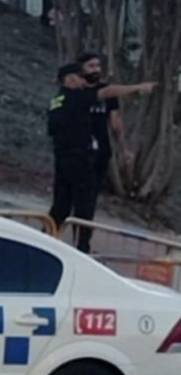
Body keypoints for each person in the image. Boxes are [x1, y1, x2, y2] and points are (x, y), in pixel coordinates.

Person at [48, 63, 156, 253]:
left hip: (62, 157)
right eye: (80, 77)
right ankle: (81, 248)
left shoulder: (57, 99)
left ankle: (46, 239)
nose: (83, 82)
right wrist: (138, 88)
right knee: (85, 205)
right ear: (70, 78)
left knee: (61, 205)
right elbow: (107, 92)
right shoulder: (76, 97)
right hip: (79, 157)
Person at [78, 51, 133, 192]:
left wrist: (123, 149)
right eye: (91, 66)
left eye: (97, 66)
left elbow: (115, 123)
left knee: (91, 190)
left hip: (100, 148)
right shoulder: (74, 91)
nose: (95, 69)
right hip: (77, 147)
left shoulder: (107, 92)